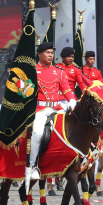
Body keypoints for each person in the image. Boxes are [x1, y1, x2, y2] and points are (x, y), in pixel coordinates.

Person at [25, 42, 77, 181]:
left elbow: (66, 89)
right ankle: (33, 166)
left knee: (70, 130)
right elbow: (24, 92)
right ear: (40, 54)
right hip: (40, 109)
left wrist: (72, 100)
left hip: (57, 108)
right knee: (38, 133)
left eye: (52, 53)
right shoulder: (32, 70)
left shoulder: (59, 72)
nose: (50, 55)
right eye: (47, 53)